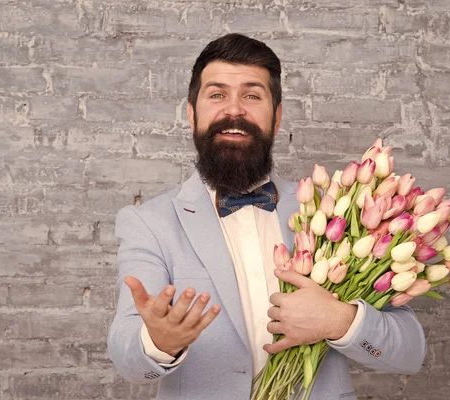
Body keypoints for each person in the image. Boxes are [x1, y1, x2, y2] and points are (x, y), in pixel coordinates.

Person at [108, 33, 426, 399]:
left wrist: (339, 320)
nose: (234, 110)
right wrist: (158, 343)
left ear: (276, 118)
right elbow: (127, 357)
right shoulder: (149, 223)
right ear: (191, 114)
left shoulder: (334, 212)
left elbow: (410, 352)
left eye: (252, 95)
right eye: (216, 94)